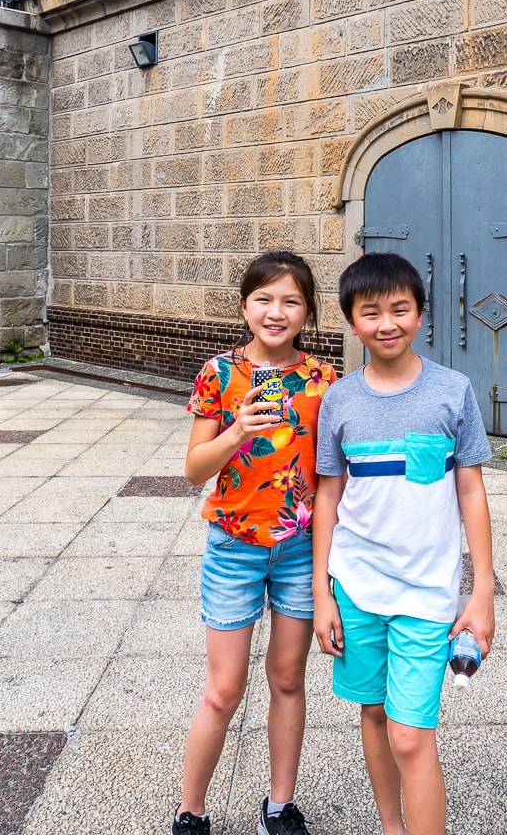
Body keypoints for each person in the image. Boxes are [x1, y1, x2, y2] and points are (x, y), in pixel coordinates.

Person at [312, 252, 495, 835]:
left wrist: (482, 588)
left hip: (427, 591)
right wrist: (322, 592)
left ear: (421, 316)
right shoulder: (338, 400)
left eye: (400, 309)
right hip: (357, 584)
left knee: (411, 735)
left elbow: (470, 489)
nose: (386, 323)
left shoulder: (452, 391)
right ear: (352, 321)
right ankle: (392, 827)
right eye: (371, 312)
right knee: (371, 711)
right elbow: (328, 497)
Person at [174, 250, 336, 835]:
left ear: (308, 311)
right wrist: (238, 430)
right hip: (233, 548)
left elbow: (330, 475)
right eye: (263, 299)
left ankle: (279, 806)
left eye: (291, 300)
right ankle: (191, 810)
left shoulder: (322, 380)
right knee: (224, 689)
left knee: (288, 678)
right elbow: (195, 469)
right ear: (244, 307)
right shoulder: (219, 374)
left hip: (299, 550)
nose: (276, 312)